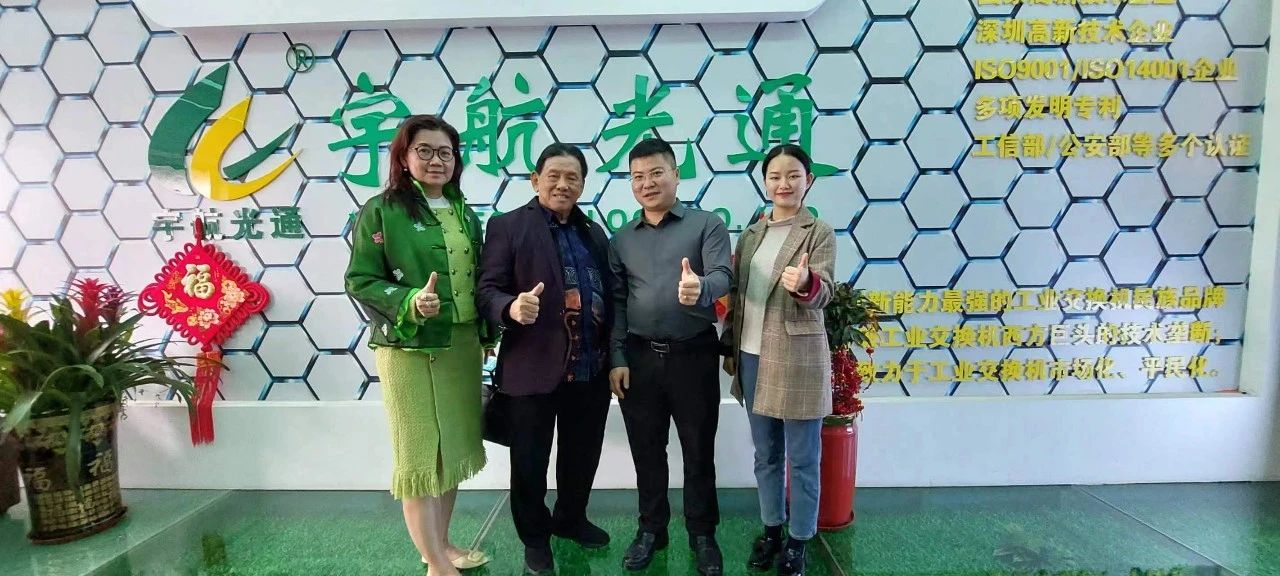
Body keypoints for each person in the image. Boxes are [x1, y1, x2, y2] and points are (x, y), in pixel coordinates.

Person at [345, 115, 497, 576]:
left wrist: (487, 333)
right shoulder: (381, 210)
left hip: (460, 346)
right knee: (418, 455)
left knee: (450, 452)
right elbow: (359, 279)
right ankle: (435, 564)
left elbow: (480, 279)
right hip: (408, 349)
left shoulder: (465, 212)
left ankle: (442, 545)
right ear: (404, 156)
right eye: (424, 151)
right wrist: (411, 300)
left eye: (445, 152)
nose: (436, 160)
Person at [476, 143, 615, 575]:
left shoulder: (594, 232)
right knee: (530, 461)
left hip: (589, 367)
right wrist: (510, 307)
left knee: (582, 455)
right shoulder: (508, 226)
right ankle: (535, 538)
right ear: (535, 180)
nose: (563, 184)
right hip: (532, 366)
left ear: (583, 185)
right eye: (554, 175)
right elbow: (486, 290)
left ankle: (571, 518)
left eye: (572, 177)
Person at [608, 138, 732, 576]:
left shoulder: (706, 225)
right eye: (638, 176)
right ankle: (651, 529)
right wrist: (617, 356)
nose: (647, 183)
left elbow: (723, 274)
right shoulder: (621, 239)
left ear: (676, 175)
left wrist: (702, 287)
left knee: (698, 449)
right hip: (639, 358)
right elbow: (617, 302)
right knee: (647, 450)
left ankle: (702, 533)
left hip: (693, 355)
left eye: (656, 173)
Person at [721, 145, 836, 576]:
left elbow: (825, 292)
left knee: (803, 458)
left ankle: (799, 540)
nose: (783, 184)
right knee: (766, 454)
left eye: (793, 175)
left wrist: (806, 282)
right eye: (774, 176)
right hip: (752, 355)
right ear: (765, 181)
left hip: (797, 358)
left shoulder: (818, 232)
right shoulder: (752, 234)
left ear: (809, 180)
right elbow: (737, 293)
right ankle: (772, 529)